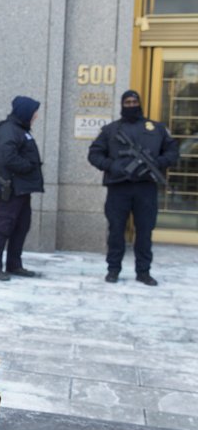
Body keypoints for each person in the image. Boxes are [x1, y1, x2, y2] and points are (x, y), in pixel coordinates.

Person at [87, 89, 179, 286]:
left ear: (139, 103)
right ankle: (113, 270)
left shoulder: (156, 129)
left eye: (133, 102)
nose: (131, 105)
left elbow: (173, 151)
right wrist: (112, 166)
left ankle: (143, 272)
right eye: (127, 102)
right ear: (122, 105)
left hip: (146, 188)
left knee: (145, 231)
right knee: (116, 231)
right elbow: (94, 154)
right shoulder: (111, 130)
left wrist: (156, 162)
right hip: (118, 187)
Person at [0, 96, 44, 281]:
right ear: (24, 112)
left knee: (21, 227)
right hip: (9, 189)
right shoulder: (9, 130)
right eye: (33, 113)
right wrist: (30, 166)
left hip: (21, 189)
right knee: (4, 227)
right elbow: (7, 158)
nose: (35, 117)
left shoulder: (20, 130)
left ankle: (14, 265)